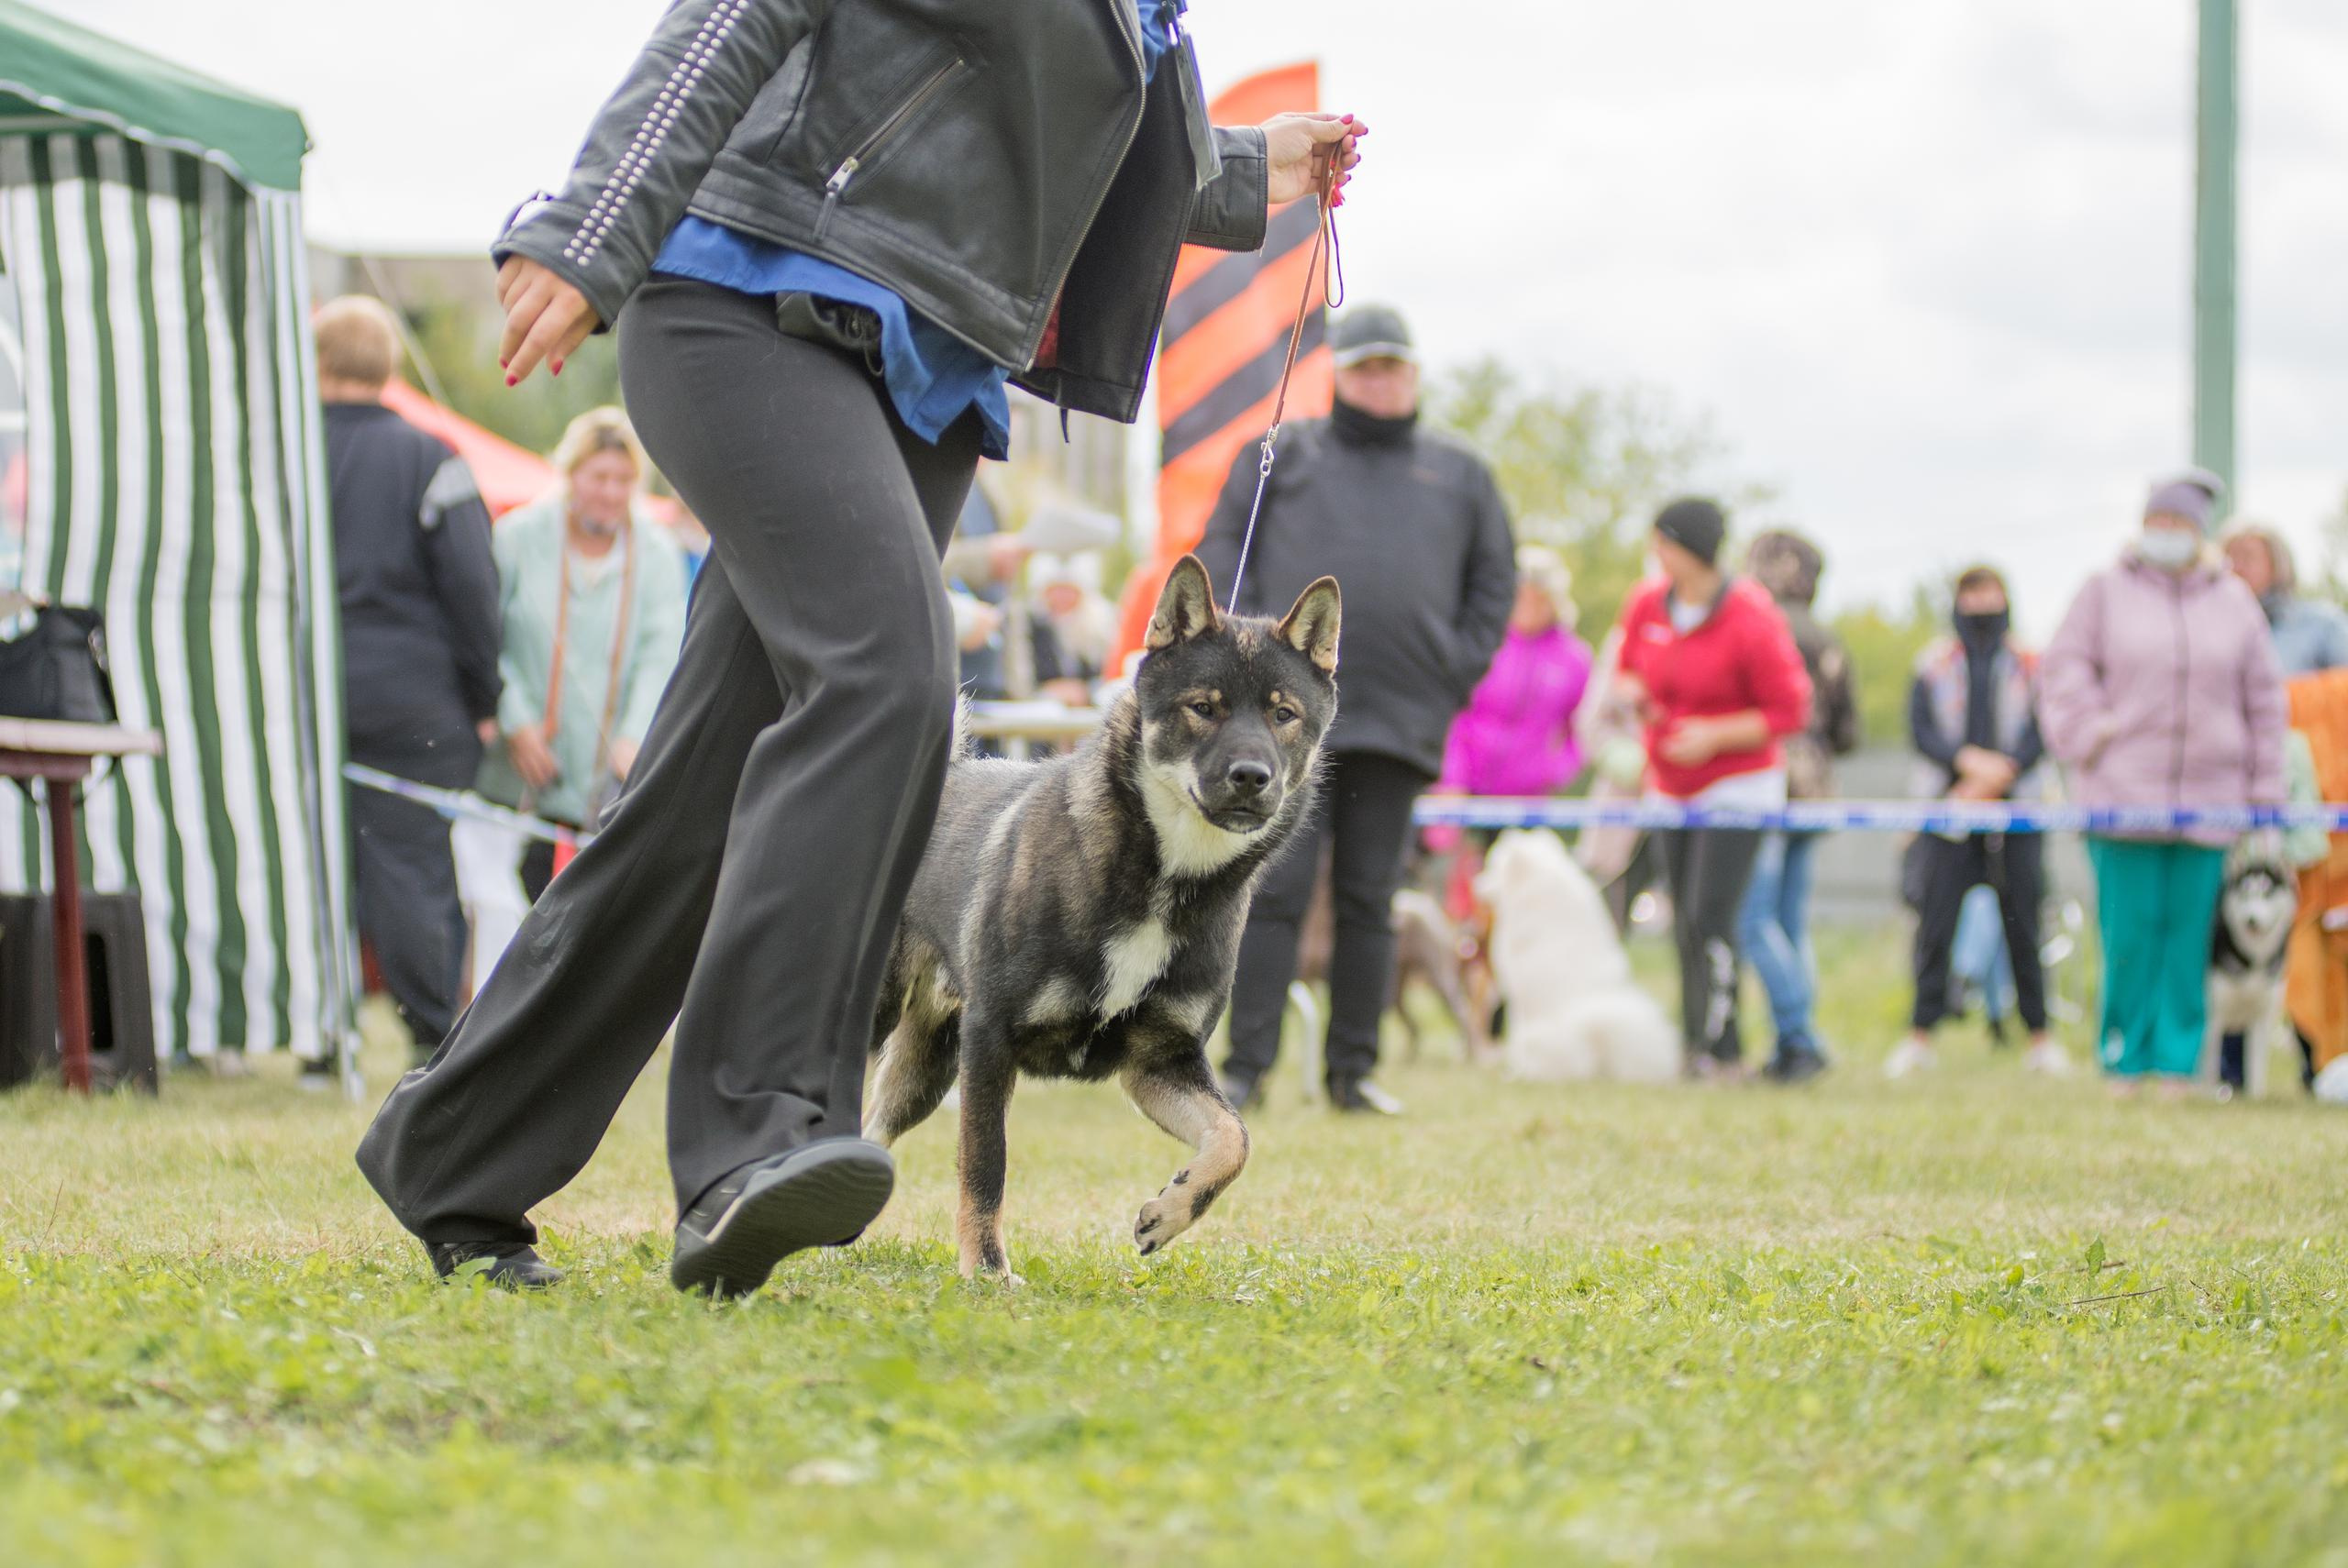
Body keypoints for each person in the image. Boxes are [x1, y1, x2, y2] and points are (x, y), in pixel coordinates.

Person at [356, 0, 1367, 1291]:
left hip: (923, 372)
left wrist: (1238, 167)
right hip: (753, 292)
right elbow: (740, 12)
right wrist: (592, 221)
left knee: (699, 793)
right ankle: (757, 1137)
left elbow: (1038, 126)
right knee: (889, 679)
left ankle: (455, 1154)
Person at [1197, 304, 1515, 1115]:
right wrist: (1235, 671)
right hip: (1279, 721)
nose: (1380, 380)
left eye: (1393, 366)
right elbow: (1224, 554)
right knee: (1272, 888)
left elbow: (1494, 587)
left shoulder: (1462, 474)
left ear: (1413, 374)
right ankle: (1246, 1067)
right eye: (1366, 365)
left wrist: (1453, 673)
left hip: (1400, 714)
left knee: (1372, 898)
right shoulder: (1281, 453)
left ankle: (1353, 1073)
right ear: (1339, 370)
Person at [2041, 470, 2287, 1099]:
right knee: (2128, 936)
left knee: (2188, 941)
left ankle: (2180, 1065)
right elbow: (2064, 670)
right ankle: (2124, 1058)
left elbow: (2264, 700)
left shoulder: (2233, 601)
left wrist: (2264, 793)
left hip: (2211, 803)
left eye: (2180, 524)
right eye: (2160, 522)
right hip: (2124, 795)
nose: (2168, 534)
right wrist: (2094, 733)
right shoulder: (2103, 591)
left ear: (2199, 531)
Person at [315, 296, 502, 1072]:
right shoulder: (432, 458)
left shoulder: (278, 455)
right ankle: (430, 1036)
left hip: (306, 695)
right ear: (390, 364)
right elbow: (472, 587)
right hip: (412, 700)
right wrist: (485, 696)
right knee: (414, 867)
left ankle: (317, 1037)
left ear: (316, 363)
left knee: (314, 862)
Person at [1611, 498, 1811, 1080]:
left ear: (1692, 548)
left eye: (1663, 542)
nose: (1655, 553)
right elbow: (1626, 668)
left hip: (1738, 787)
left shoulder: (1752, 615)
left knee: (1712, 915)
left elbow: (1790, 708)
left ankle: (1725, 1049)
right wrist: (1634, 695)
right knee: (1682, 919)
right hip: (1669, 786)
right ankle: (1694, 1044)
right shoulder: (1646, 603)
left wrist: (1715, 735)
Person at [476, 408, 689, 901]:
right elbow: (489, 637)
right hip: (524, 770)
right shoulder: (518, 536)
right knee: (505, 902)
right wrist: (516, 719)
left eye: (624, 480)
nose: (611, 493)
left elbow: (662, 649)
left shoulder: (656, 552)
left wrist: (634, 737)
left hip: (608, 775)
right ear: (570, 472)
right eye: (599, 477)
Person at [1884, 566, 2069, 1079]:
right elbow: (1922, 732)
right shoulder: (1934, 663)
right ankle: (1919, 1037)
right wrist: (1966, 766)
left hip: (2018, 811)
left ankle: (2040, 1038)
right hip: (1949, 809)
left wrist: (1999, 775)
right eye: (1972, 594)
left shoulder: (2033, 663)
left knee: (2026, 925)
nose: (1981, 604)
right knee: (1934, 925)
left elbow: (2044, 729)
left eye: (1990, 593)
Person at [1736, 529, 1857, 1083]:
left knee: (1754, 921)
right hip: (1816, 792)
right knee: (1789, 922)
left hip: (1764, 786)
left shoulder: (1756, 627)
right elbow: (1849, 732)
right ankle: (1795, 1041)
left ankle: (1799, 1036)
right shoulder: (1828, 639)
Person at [1434, 544, 1593, 802]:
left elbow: (1584, 727)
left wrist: (1553, 771)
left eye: (1538, 596)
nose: (1528, 604)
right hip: (1461, 794)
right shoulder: (1481, 643)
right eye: (1521, 595)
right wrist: (1451, 779)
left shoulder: (1575, 659)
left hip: (1527, 801)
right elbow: (1452, 712)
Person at [2221, 522, 2348, 677]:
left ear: (2277, 566)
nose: (2236, 568)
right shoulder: (2211, 632)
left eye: (2248, 557)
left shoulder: (2323, 626)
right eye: (2228, 560)